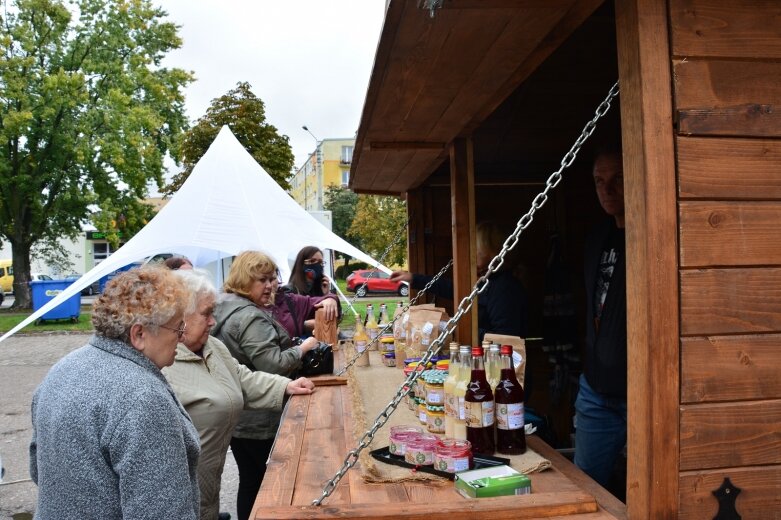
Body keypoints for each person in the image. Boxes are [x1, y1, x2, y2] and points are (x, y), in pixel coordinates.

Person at [29, 266, 200, 519]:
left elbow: (38, 469)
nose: (183, 337)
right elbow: (162, 512)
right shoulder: (142, 398)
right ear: (139, 334)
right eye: (177, 328)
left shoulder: (61, 369)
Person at [162, 269, 314, 520]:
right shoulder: (164, 362)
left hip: (208, 483)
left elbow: (241, 377)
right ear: (180, 316)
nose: (213, 321)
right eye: (207, 313)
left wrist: (285, 387)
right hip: (178, 493)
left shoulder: (211, 345)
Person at [211, 250, 338, 520]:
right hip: (260, 418)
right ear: (245, 280)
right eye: (262, 279)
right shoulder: (249, 316)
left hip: (242, 412)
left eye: (272, 278)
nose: (270, 285)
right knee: (267, 485)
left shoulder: (226, 305)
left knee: (251, 481)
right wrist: (304, 347)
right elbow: (274, 364)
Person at [574, 146, 627, 494]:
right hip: (595, 390)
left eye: (618, 180)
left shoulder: (653, 234)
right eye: (599, 181)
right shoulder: (596, 239)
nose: (607, 190)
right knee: (585, 489)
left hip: (643, 391)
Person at [390, 221, 528, 340]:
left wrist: (456, 327)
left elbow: (504, 338)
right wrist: (413, 278)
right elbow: (453, 289)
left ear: (493, 252)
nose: (471, 251)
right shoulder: (488, 279)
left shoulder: (504, 288)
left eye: (476, 247)